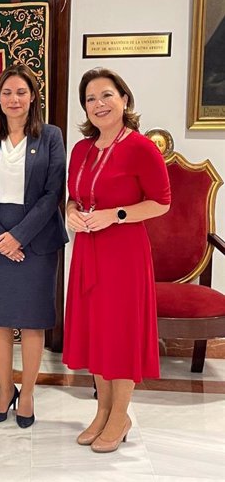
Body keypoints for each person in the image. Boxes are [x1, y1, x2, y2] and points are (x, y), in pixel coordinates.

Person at [63, 67, 171, 453]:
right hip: (89, 251)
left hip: (124, 253)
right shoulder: (81, 149)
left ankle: (120, 413)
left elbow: (161, 203)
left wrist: (116, 215)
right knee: (97, 332)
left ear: (124, 99)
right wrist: (71, 211)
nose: (99, 104)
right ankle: (103, 411)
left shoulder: (141, 147)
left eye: (106, 95)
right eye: (90, 99)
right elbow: (75, 195)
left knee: (120, 334)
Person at [0, 64, 67, 428]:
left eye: (21, 92)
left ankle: (27, 394)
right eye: (7, 92)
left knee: (31, 322)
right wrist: (1, 238)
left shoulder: (51, 136)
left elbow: (52, 192)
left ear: (33, 96)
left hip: (36, 242)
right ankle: (4, 390)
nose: (14, 99)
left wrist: (19, 237)